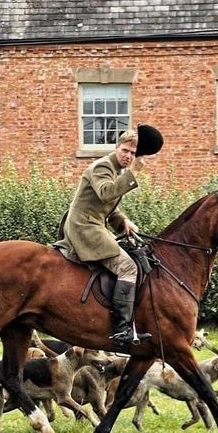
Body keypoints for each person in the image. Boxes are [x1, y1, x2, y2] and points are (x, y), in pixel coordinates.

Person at [55, 129, 157, 348]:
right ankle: (122, 330)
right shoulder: (103, 166)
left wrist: (123, 221)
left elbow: (104, 208)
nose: (129, 156)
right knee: (128, 267)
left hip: (94, 224)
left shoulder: (116, 170)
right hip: (85, 227)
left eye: (133, 153)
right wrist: (134, 174)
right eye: (125, 150)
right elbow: (105, 192)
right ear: (116, 148)